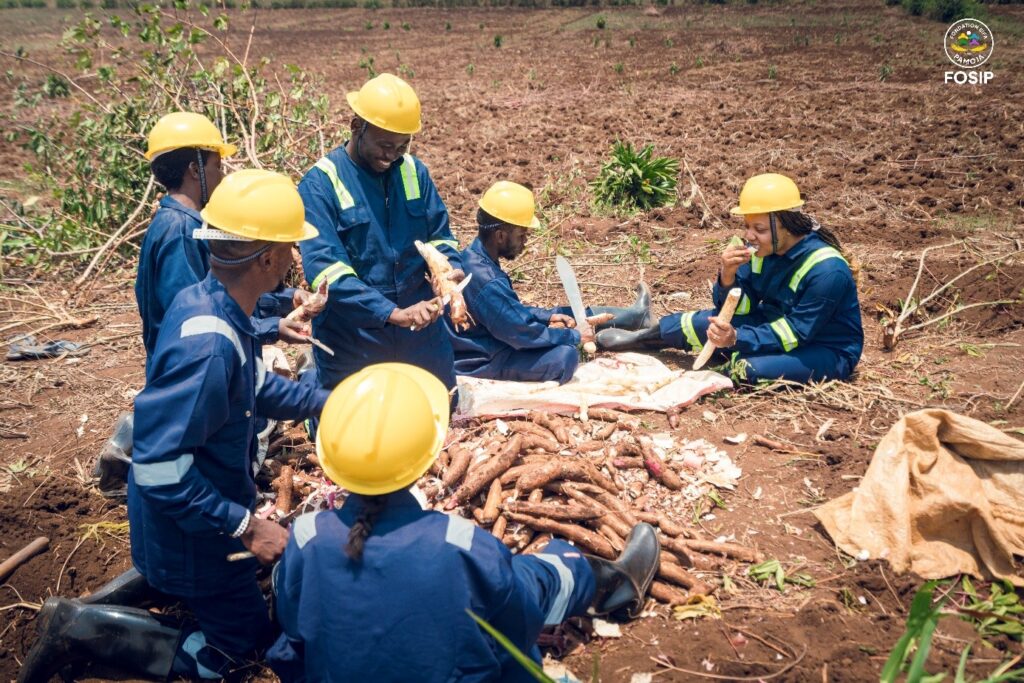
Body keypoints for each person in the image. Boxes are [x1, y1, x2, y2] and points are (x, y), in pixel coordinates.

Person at [18, 170, 331, 683]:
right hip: (193, 526)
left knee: (185, 582)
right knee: (241, 653)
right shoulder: (208, 346)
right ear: (268, 258)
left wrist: (329, 402)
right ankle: (80, 627)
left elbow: (251, 390)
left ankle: (126, 597)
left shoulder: (216, 303)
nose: (294, 260)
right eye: (291, 249)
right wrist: (247, 527)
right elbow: (162, 469)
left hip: (191, 518)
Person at [266, 362, 661, 682]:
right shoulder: (461, 545)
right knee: (541, 577)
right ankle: (607, 581)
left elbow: (294, 630)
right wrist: (564, 559)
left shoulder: (304, 539)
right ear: (427, 454)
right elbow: (520, 615)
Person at [95, 113, 312, 499]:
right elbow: (206, 322)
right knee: (202, 464)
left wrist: (281, 303)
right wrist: (238, 523)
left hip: (196, 370)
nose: (221, 175)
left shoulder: (180, 222)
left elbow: (227, 290)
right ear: (195, 169)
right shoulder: (181, 232)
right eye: (217, 165)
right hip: (190, 375)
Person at [297, 73, 463, 433]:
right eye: (385, 145)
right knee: (352, 428)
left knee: (440, 410)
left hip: (419, 327)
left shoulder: (414, 173)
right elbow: (326, 273)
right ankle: (312, 388)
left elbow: (441, 236)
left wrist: (447, 271)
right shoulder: (320, 184)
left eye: (402, 146)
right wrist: (391, 313)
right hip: (355, 331)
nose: (393, 156)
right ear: (356, 126)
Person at [598, 173, 863, 384]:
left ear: (787, 224)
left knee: (747, 369)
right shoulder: (763, 249)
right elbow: (743, 306)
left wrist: (736, 337)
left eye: (758, 229)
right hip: (771, 324)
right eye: (747, 226)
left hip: (824, 347)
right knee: (695, 323)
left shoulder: (827, 270)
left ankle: (710, 374)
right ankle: (644, 337)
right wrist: (727, 275)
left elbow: (795, 333)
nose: (749, 236)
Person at [447, 181, 652, 384]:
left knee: (567, 313)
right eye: (521, 234)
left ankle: (634, 317)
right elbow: (519, 333)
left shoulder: (473, 257)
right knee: (565, 357)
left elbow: (508, 312)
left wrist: (548, 317)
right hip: (486, 357)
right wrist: (572, 336)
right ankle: (612, 332)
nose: (525, 241)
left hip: (496, 339)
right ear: (500, 235)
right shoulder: (486, 280)